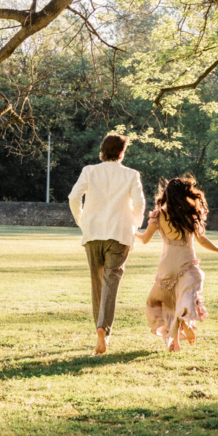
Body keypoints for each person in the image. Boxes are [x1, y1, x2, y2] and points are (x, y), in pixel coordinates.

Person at [68, 133, 146, 355]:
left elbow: (73, 197)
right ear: (122, 153)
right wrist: (135, 225)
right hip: (119, 234)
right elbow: (140, 204)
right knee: (111, 281)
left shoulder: (89, 171)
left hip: (93, 233)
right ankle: (104, 329)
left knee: (97, 284)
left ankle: (99, 330)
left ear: (103, 150)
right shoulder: (131, 175)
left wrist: (81, 220)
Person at [137, 174, 218, 352]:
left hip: (167, 267)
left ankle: (175, 342)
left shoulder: (159, 215)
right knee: (184, 300)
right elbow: (202, 240)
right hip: (187, 265)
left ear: (168, 194)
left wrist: (131, 232)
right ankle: (183, 326)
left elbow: (144, 239)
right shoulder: (190, 214)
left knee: (164, 303)